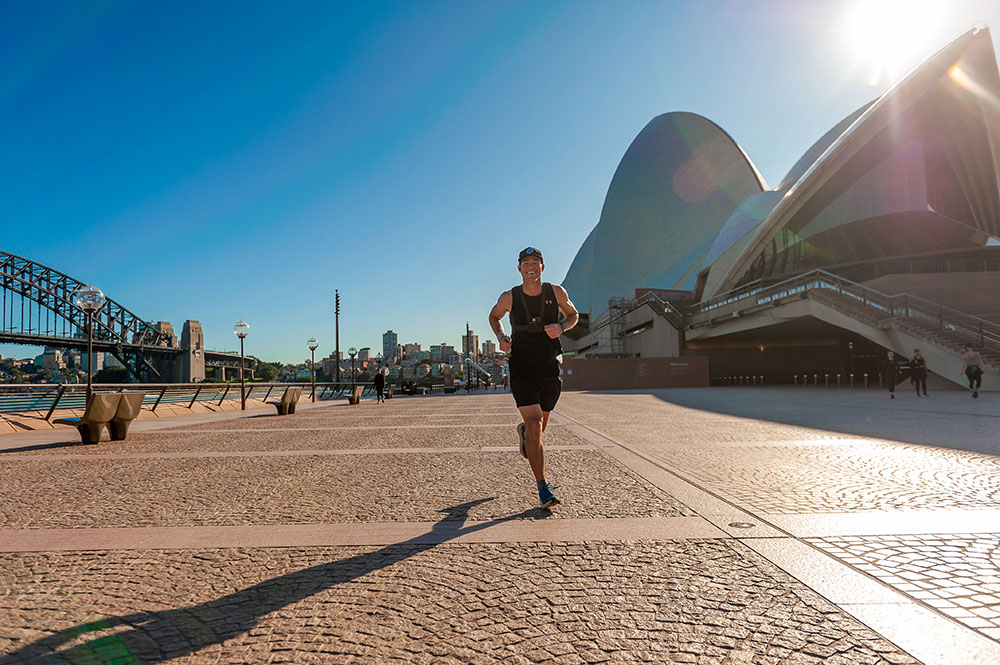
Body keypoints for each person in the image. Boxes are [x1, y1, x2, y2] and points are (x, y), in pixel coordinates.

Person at [489, 246, 579, 509]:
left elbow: (573, 315)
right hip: (522, 367)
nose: (530, 267)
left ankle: (526, 436)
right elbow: (494, 317)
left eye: (535, 263)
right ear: (519, 268)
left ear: (542, 267)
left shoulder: (556, 292)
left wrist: (562, 325)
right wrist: (501, 337)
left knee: (539, 427)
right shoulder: (510, 297)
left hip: (550, 365)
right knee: (535, 424)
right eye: (526, 263)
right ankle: (542, 487)